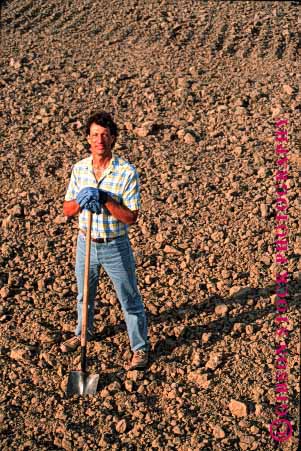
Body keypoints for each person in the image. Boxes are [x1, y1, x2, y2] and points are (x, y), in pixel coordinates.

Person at [61, 111, 149, 370]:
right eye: (95, 135)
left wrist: (105, 199)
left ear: (113, 139)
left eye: (105, 135)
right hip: (85, 242)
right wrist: (81, 199)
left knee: (129, 297)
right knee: (84, 296)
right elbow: (67, 209)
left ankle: (140, 348)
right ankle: (82, 334)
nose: (100, 140)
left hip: (114, 246)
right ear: (88, 138)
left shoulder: (126, 172)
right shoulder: (79, 169)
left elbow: (131, 217)